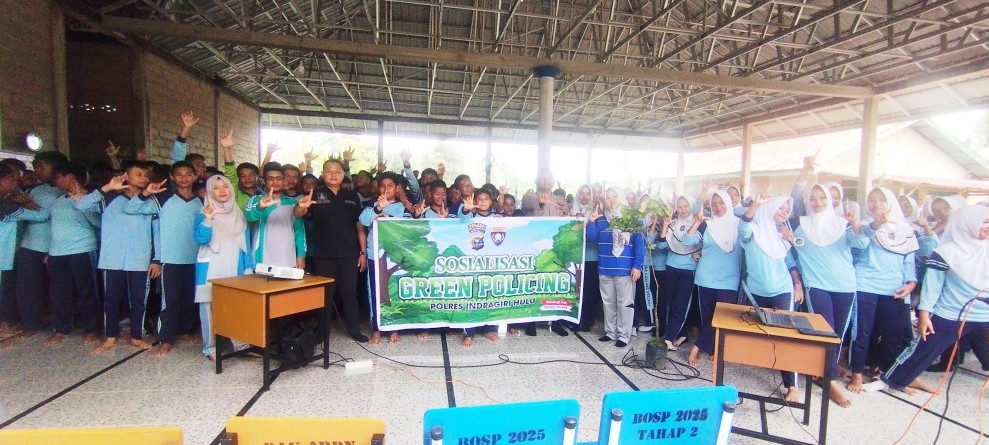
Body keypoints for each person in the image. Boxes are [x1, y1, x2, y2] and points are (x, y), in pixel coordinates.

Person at [864, 205, 989, 395]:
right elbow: (933, 286)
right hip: (950, 313)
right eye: (985, 222)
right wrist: (924, 315)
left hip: (984, 315)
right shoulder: (946, 252)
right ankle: (888, 380)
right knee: (922, 349)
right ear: (968, 224)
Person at [789, 183, 868, 407]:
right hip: (816, 285)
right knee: (824, 331)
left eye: (822, 198)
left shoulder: (842, 224)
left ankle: (825, 372)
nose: (817, 203)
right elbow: (791, 248)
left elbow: (861, 244)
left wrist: (854, 224)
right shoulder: (799, 225)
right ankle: (830, 380)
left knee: (837, 333)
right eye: (812, 198)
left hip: (844, 284)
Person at [76, 164, 160, 355]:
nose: (143, 178)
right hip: (112, 260)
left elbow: (157, 232)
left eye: (146, 175)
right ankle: (110, 337)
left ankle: (137, 336)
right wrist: (107, 188)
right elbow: (80, 205)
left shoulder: (150, 201)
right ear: (126, 177)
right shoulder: (108, 198)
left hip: (139, 259)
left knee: (139, 301)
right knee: (111, 300)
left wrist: (157, 258)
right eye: (138, 174)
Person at [127, 161, 203, 357]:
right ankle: (166, 338)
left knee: (190, 298)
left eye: (188, 174)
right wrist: (145, 194)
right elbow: (132, 208)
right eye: (179, 174)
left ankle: (184, 330)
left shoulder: (202, 202)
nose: (184, 178)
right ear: (172, 177)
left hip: (196, 258)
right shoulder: (162, 199)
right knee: (170, 301)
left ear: (195, 176)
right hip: (170, 260)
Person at [847, 187, 918, 392]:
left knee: (893, 335)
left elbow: (909, 261)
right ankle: (857, 373)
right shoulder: (863, 226)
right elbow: (857, 246)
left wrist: (911, 283)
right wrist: (874, 225)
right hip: (865, 284)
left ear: (890, 203)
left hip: (895, 288)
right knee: (862, 332)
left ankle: (890, 376)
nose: (876, 204)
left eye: (881, 200)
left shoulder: (905, 230)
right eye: (871, 200)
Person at [293, 159, 369, 343]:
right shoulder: (314, 194)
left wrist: (363, 253)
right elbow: (298, 214)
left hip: (349, 254)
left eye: (337, 171)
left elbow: (359, 227)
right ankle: (322, 333)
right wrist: (300, 207)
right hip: (323, 255)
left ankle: (353, 330)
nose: (334, 174)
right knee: (326, 295)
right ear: (323, 174)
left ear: (343, 175)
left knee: (349, 294)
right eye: (329, 171)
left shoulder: (351, 196)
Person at [739, 193, 804, 403]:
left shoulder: (782, 235)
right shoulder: (753, 231)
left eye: (787, 209)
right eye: (780, 207)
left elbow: (790, 263)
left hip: (782, 290)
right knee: (754, 332)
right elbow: (743, 226)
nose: (784, 212)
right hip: (756, 291)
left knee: (786, 335)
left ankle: (792, 385)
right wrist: (756, 204)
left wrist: (797, 284)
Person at [194, 175, 254, 360]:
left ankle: (241, 345)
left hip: (234, 263)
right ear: (210, 191)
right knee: (209, 306)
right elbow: (200, 239)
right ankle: (210, 347)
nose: (222, 191)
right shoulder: (203, 213)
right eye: (217, 188)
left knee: (236, 304)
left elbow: (246, 243)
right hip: (211, 264)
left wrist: (248, 267)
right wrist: (208, 219)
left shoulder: (238, 213)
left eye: (225, 187)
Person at [44, 162, 103, 345]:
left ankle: (92, 329)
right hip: (57, 253)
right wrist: (49, 251)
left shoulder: (91, 198)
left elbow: (99, 223)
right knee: (59, 292)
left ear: (70, 177)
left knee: (87, 291)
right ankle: (61, 329)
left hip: (82, 250)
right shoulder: (59, 201)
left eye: (58, 177)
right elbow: (54, 227)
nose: (55, 182)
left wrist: (81, 203)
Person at [13, 151, 68, 337]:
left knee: (58, 289)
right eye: (36, 167)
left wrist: (18, 210)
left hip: (55, 247)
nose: (37, 171)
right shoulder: (36, 190)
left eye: (41, 167)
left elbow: (49, 217)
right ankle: (31, 324)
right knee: (27, 288)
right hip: (29, 246)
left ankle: (62, 324)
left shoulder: (64, 192)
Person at [687, 190, 743, 367]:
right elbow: (688, 241)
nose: (718, 207)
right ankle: (713, 348)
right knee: (708, 316)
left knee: (723, 316)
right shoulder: (707, 224)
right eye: (714, 204)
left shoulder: (740, 225)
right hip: (706, 277)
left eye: (722, 203)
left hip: (729, 278)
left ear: (728, 203)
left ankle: (697, 347)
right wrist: (696, 222)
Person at [585, 188, 645, 348]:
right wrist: (591, 221)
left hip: (625, 268)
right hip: (605, 266)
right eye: (608, 198)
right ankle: (610, 332)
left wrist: (637, 266)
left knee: (625, 303)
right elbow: (591, 238)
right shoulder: (602, 219)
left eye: (614, 196)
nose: (611, 200)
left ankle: (624, 335)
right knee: (608, 302)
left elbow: (640, 244)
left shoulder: (632, 219)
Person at [359, 172, 412, 345]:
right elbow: (363, 220)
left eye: (390, 186)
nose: (386, 189)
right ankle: (377, 328)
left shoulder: (402, 208)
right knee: (374, 292)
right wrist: (378, 208)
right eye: (383, 186)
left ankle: (393, 328)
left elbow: (409, 226)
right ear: (378, 188)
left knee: (394, 293)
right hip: (375, 256)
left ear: (397, 189)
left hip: (395, 257)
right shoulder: (371, 206)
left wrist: (390, 219)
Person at [519, 169, 570, 337]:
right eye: (543, 177)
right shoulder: (529, 197)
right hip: (534, 249)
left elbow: (567, 220)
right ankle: (531, 322)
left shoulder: (560, 201)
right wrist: (543, 202)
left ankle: (555, 321)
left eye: (550, 178)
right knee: (533, 284)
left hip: (555, 249)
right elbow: (529, 207)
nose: (547, 180)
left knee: (554, 284)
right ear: (537, 180)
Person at [659, 195, 702, 351]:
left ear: (691, 206)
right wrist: (665, 226)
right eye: (679, 207)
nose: (683, 210)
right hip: (671, 266)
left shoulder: (698, 223)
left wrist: (700, 250)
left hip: (688, 270)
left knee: (682, 304)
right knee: (672, 303)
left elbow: (696, 242)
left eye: (686, 206)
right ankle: (682, 334)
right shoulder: (673, 223)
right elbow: (662, 246)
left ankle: (669, 338)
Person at [244, 163, 306, 269]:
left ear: (284, 181)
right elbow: (249, 216)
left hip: (288, 258)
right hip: (262, 259)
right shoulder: (256, 200)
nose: (275, 182)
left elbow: (299, 232)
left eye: (279, 178)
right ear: (264, 181)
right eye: (270, 178)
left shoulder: (293, 203)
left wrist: (301, 255)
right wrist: (261, 206)